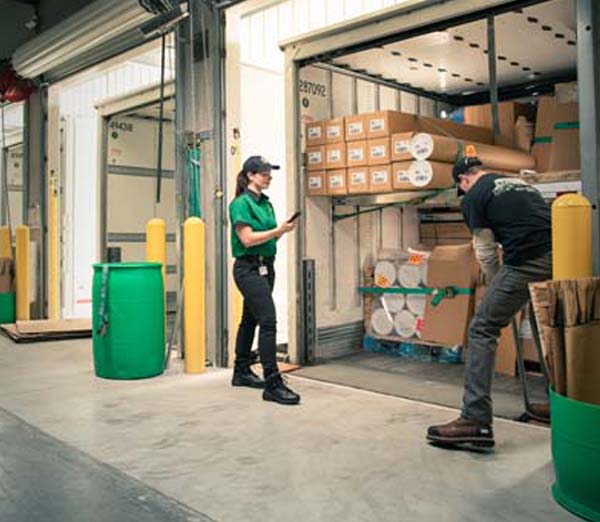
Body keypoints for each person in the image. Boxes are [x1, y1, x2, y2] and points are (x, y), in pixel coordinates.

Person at [426, 156, 552, 450]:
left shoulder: (474, 197)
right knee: (551, 331)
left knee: (482, 328)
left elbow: (484, 253)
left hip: (528, 261)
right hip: (563, 254)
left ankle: (475, 420)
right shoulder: (520, 184)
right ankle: (561, 405)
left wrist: (498, 285)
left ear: (463, 180)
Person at [228, 155, 300, 405]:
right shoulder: (240, 204)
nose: (268, 176)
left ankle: (241, 371)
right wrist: (278, 231)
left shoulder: (266, 204)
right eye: (263, 173)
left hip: (266, 267)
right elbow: (247, 239)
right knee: (268, 320)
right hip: (248, 269)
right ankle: (272, 382)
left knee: (250, 319)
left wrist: (281, 231)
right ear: (250, 175)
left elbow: (266, 239)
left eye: (270, 173)